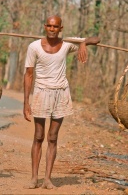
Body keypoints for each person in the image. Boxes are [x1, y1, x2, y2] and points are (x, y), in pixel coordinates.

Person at [23, 15, 100, 189]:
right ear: (45, 26)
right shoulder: (34, 47)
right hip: (41, 92)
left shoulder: (67, 44)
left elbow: (97, 39)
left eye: (55, 27)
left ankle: (47, 179)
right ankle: (34, 178)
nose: (52, 29)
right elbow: (28, 75)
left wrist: (83, 43)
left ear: (60, 28)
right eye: (49, 26)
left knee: (53, 137)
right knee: (38, 136)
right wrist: (26, 102)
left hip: (61, 93)